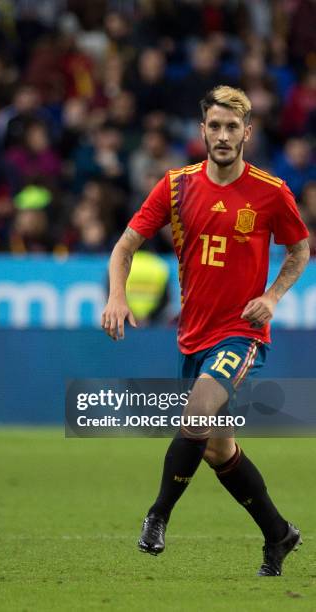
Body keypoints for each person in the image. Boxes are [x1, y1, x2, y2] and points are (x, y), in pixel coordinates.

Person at [101, 85, 310, 577]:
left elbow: (300, 250)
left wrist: (273, 296)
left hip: (241, 333)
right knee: (218, 448)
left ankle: (157, 516)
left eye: (232, 127)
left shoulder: (271, 192)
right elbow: (124, 246)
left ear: (247, 133)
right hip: (192, 336)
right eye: (214, 126)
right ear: (202, 131)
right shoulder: (176, 186)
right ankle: (279, 534)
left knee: (195, 415)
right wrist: (116, 295)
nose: (222, 135)